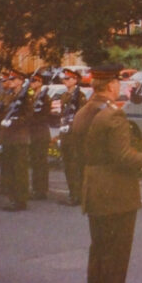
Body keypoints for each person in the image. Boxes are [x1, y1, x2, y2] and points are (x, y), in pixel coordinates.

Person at [75, 64, 142, 283]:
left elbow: (74, 148)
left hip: (95, 190)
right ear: (111, 85)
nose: (121, 87)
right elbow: (124, 157)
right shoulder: (113, 115)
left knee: (99, 259)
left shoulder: (85, 112)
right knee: (114, 261)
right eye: (119, 82)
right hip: (116, 195)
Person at [0, 70, 31, 212]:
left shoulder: (26, 96)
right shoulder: (10, 96)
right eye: (9, 79)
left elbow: (29, 116)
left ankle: (21, 200)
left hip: (19, 137)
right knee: (10, 169)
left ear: (20, 80)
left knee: (19, 170)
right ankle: (13, 198)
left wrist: (15, 121)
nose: (9, 81)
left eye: (13, 79)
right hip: (8, 137)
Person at [56, 68, 88, 206]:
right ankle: (71, 192)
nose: (65, 81)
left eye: (68, 79)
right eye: (64, 79)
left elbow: (82, 116)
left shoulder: (80, 96)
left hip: (74, 135)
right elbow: (63, 114)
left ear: (75, 80)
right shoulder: (64, 96)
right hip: (65, 134)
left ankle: (77, 195)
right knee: (67, 165)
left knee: (75, 165)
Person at [27, 70, 54, 200]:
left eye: (34, 81)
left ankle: (41, 190)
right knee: (35, 161)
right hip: (33, 133)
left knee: (40, 163)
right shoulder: (32, 97)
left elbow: (43, 116)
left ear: (40, 82)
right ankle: (36, 188)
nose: (31, 83)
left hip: (41, 132)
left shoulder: (44, 98)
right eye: (31, 81)